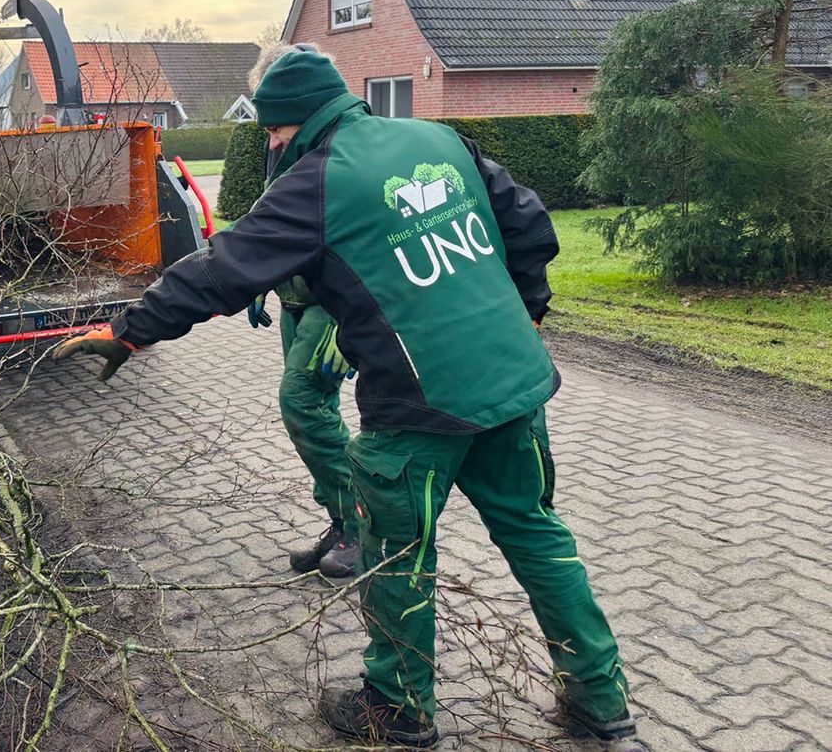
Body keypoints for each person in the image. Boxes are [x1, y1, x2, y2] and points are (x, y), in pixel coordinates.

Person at [56, 48, 634, 748]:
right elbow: (530, 226)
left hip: (419, 406)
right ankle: (599, 695)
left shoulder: (317, 182)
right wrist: (526, 313)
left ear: (294, 123)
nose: (271, 145)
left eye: (272, 132)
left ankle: (399, 707)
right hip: (515, 384)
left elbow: (222, 267)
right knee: (536, 534)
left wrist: (128, 331)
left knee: (397, 558)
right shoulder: (440, 139)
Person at [246, 45, 362, 579]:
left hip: (327, 303)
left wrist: (346, 314)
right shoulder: (279, 141)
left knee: (301, 402)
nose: (272, 137)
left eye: (277, 122)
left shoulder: (344, 146)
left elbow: (359, 232)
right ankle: (342, 519)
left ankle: (364, 527)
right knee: (319, 415)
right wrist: (259, 275)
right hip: (293, 298)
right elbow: (272, 208)